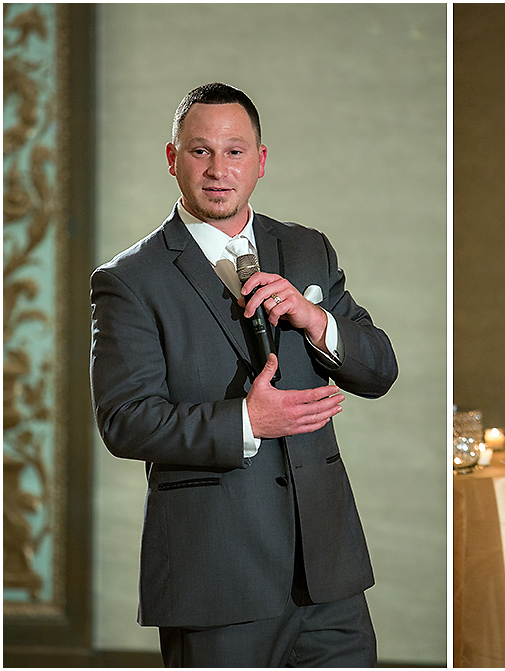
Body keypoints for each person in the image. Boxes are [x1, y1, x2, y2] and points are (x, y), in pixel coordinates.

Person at [90, 83, 398, 667]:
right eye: (200, 151)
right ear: (172, 159)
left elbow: (379, 369)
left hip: (328, 576)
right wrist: (246, 421)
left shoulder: (308, 249)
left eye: (234, 151)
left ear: (260, 161)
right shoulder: (130, 279)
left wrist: (316, 319)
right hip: (215, 577)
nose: (217, 169)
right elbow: (123, 421)